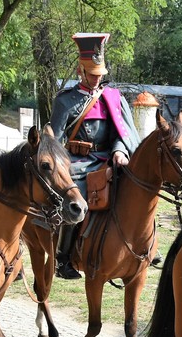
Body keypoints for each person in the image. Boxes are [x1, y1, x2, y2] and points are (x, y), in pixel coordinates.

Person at [49, 32, 141, 279]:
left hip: (108, 159)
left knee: (137, 191)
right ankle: (63, 258)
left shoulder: (113, 98)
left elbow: (124, 132)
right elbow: (55, 141)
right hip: (76, 163)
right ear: (81, 70)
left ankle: (142, 247)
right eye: (92, 73)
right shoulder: (65, 101)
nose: (97, 78)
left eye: (100, 74)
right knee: (74, 199)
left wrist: (120, 151)